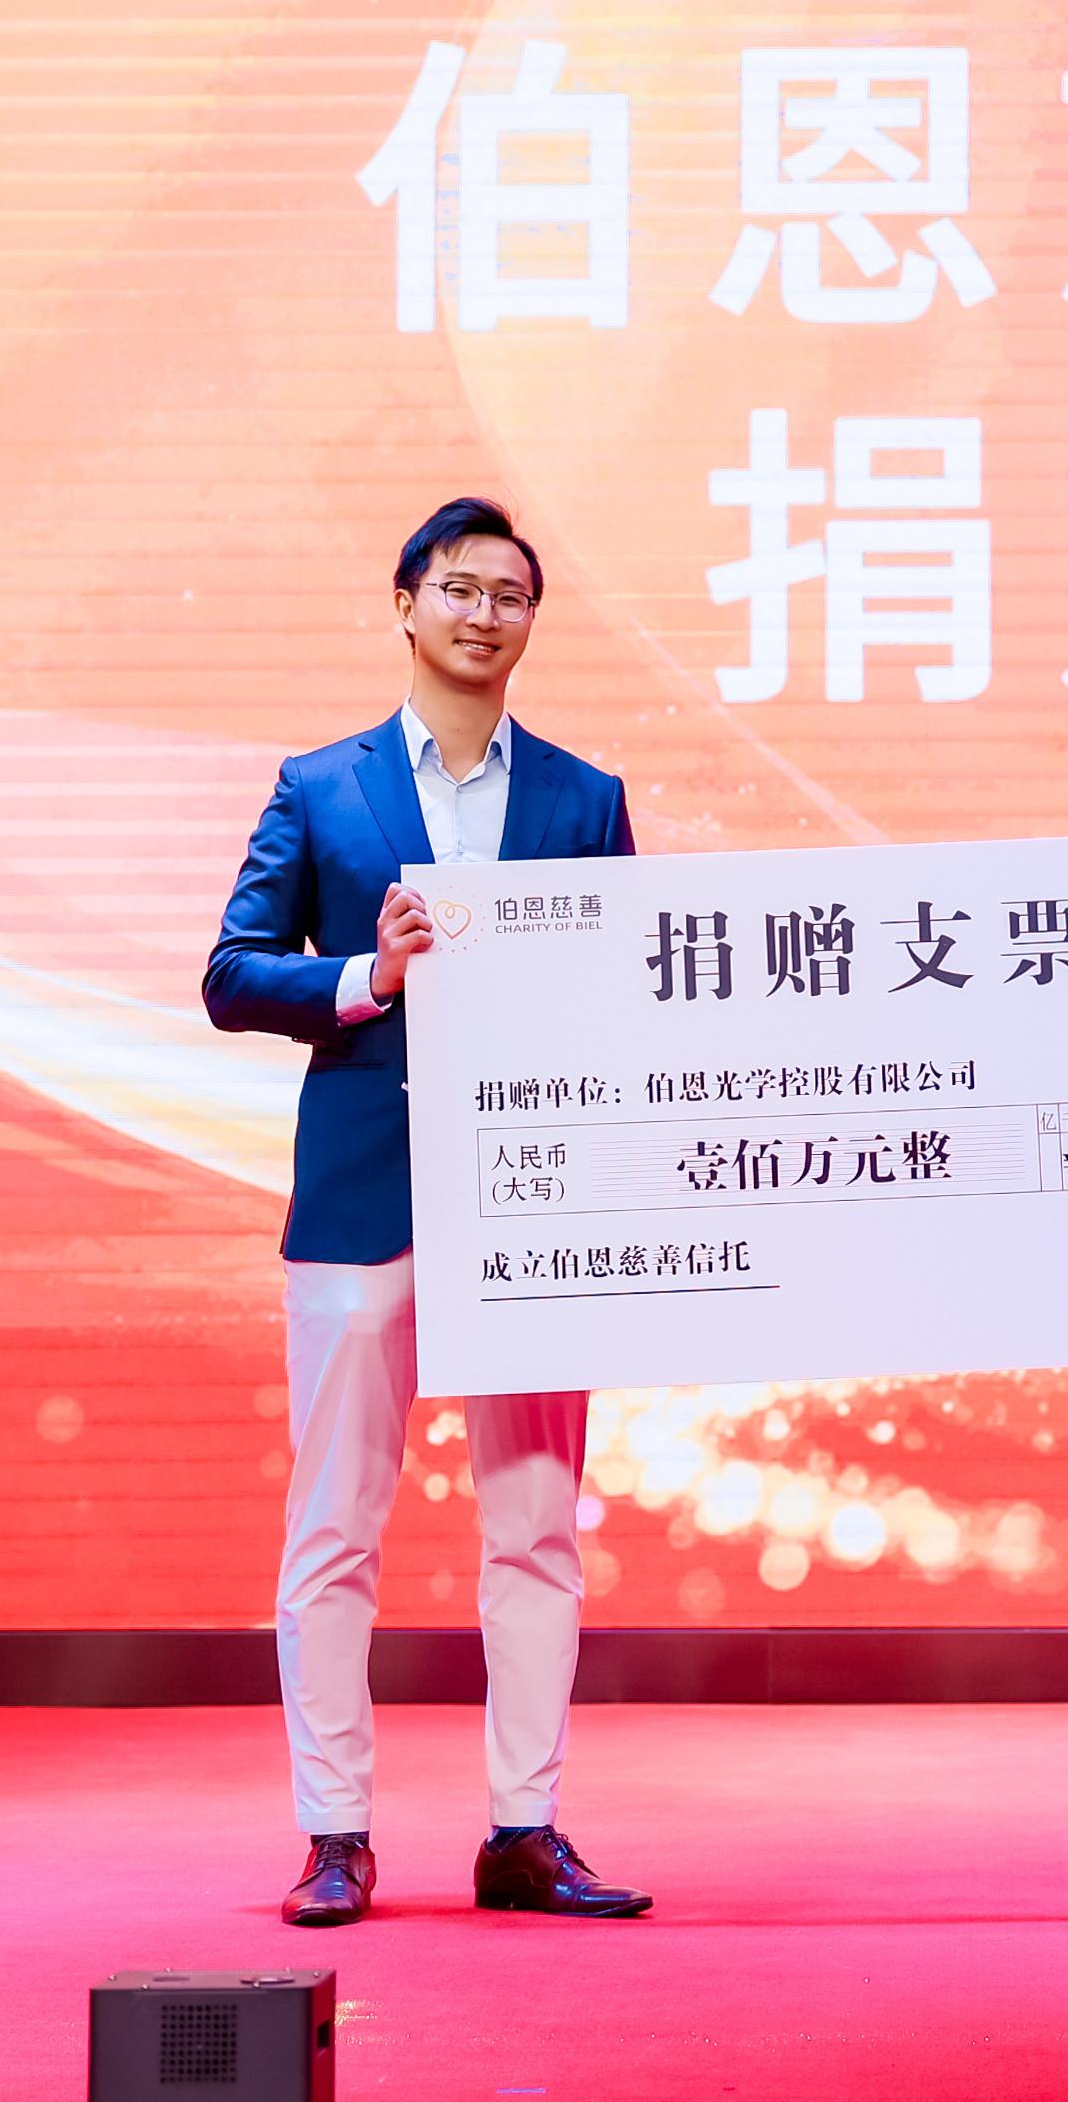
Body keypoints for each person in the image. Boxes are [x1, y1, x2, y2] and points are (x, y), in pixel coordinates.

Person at [202, 496, 652, 1928]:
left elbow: (633, 994)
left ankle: (526, 1827)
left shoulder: (584, 798)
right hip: (362, 1202)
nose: (482, 614)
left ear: (531, 622)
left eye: (509, 595)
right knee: (335, 1526)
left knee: (536, 1527)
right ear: (405, 606)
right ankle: (334, 1833)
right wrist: (365, 976)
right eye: (457, 588)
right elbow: (231, 975)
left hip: (537, 1206)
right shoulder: (319, 788)